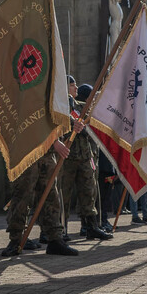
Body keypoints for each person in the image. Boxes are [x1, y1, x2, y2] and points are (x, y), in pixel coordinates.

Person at [2, 137, 79, 257]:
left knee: (51, 195)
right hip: (27, 150)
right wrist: (54, 140)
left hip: (47, 152)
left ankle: (55, 239)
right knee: (23, 195)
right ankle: (16, 239)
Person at [61, 83, 111, 240]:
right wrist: (72, 124)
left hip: (84, 156)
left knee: (89, 192)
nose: (74, 87)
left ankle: (91, 226)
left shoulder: (80, 107)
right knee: (64, 194)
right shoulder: (62, 105)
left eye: (76, 85)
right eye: (71, 85)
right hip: (67, 156)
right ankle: (62, 229)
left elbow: (94, 109)